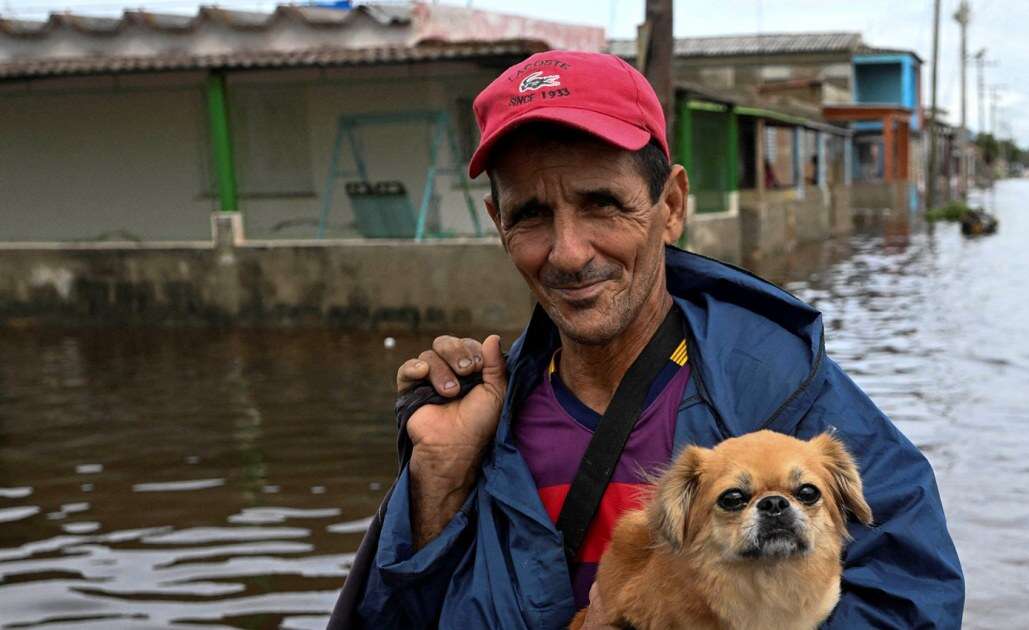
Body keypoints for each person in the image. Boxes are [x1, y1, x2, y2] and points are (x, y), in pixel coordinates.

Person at [328, 50, 964, 629]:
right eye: (531, 215)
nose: (570, 253)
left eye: (603, 204)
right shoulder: (484, 426)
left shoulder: (780, 390)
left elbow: (913, 599)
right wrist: (440, 477)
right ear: (498, 224)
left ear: (673, 205)